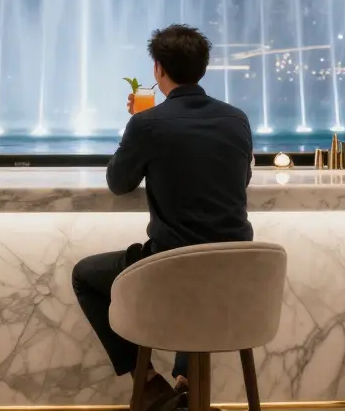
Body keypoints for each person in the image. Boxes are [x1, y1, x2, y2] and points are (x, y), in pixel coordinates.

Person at [71, 24, 254, 411]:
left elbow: (119, 183)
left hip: (169, 272)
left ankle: (150, 384)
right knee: (197, 268)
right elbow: (241, 177)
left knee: (85, 275)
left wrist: (137, 126)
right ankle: (187, 384)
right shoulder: (237, 119)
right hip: (238, 273)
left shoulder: (148, 123)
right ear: (203, 68)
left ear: (157, 70)